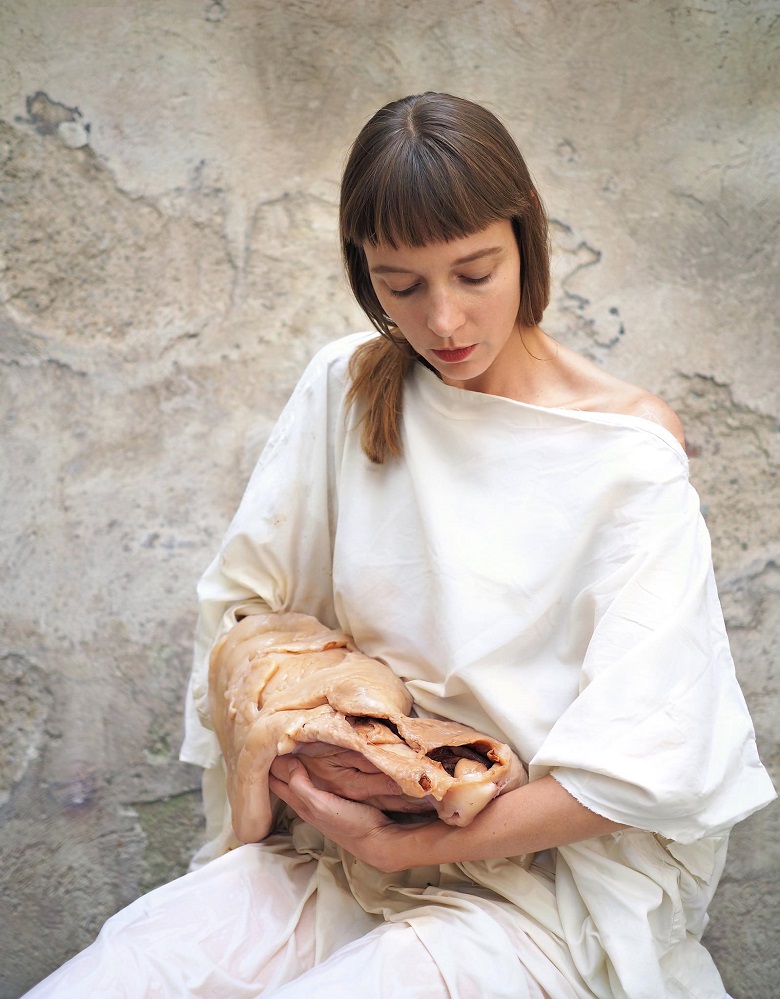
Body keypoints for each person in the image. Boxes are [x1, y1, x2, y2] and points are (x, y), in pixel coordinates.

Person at [24, 92, 775, 999]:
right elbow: (247, 622)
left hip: (541, 895)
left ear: (527, 239)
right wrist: (336, 752)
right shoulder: (345, 389)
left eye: (475, 272)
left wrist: (408, 840)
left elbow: (646, 766)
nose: (445, 321)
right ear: (362, 272)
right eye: (402, 285)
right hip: (333, 853)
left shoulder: (628, 451)